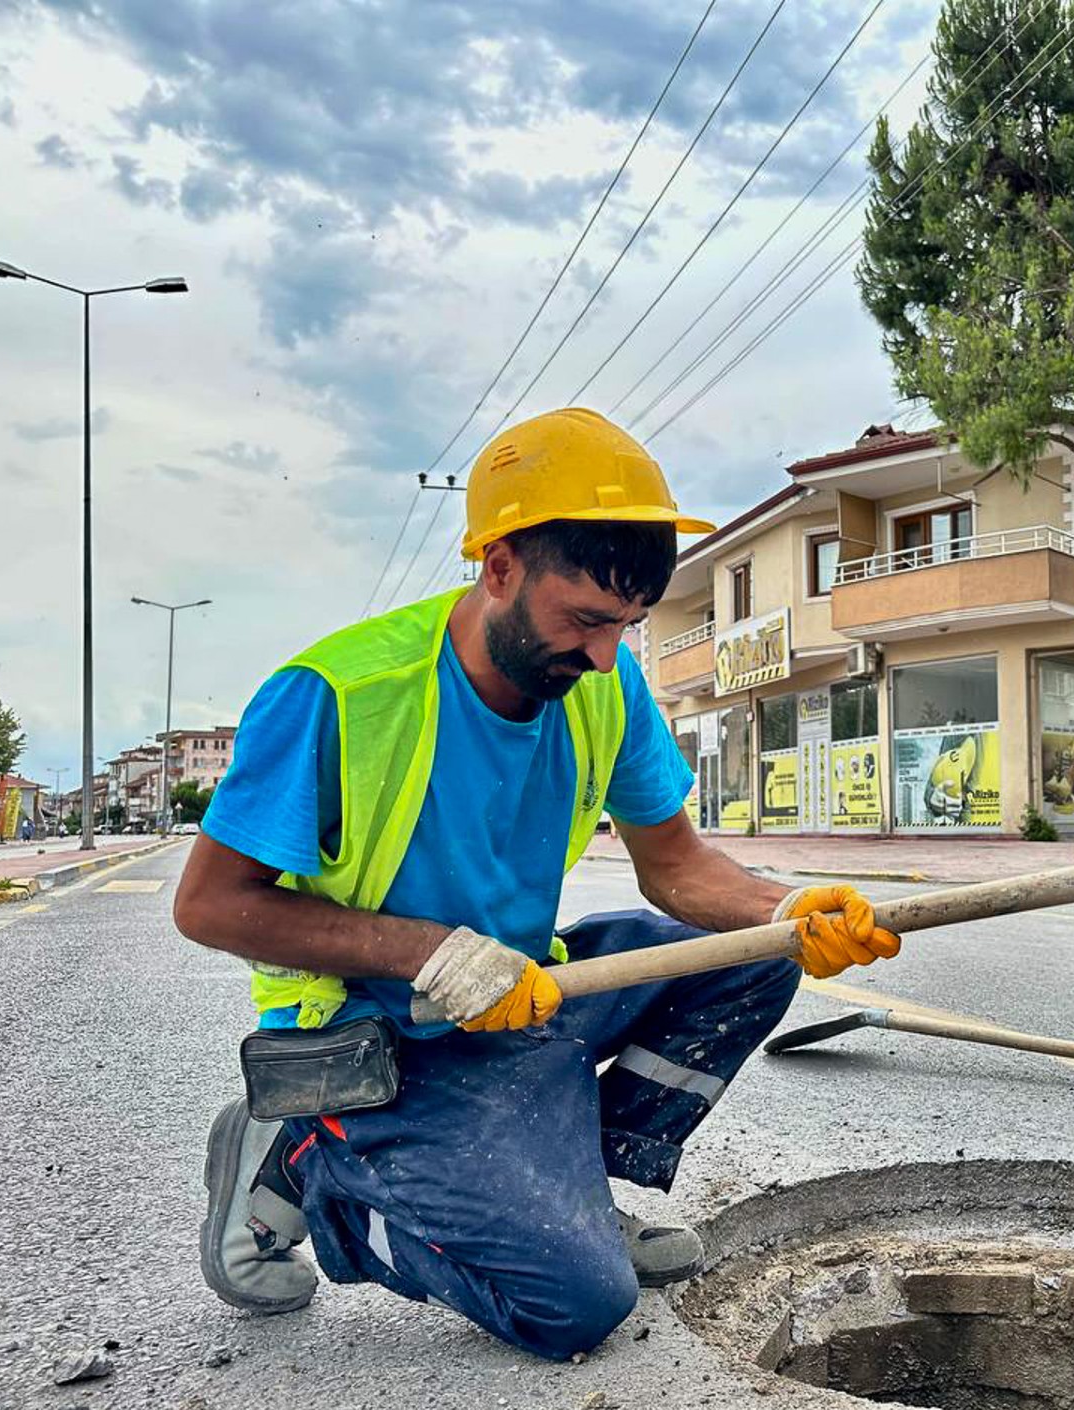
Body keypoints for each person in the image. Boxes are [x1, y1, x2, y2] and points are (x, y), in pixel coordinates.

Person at [172, 409, 901, 1358]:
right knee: (572, 1305)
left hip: (524, 995)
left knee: (756, 958)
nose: (605, 656)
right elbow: (210, 904)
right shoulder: (341, 694)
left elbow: (676, 866)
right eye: (588, 622)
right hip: (380, 1036)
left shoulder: (605, 684)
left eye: (627, 626)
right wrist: (429, 952)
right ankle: (316, 1172)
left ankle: (577, 1192)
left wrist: (784, 911)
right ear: (501, 566)